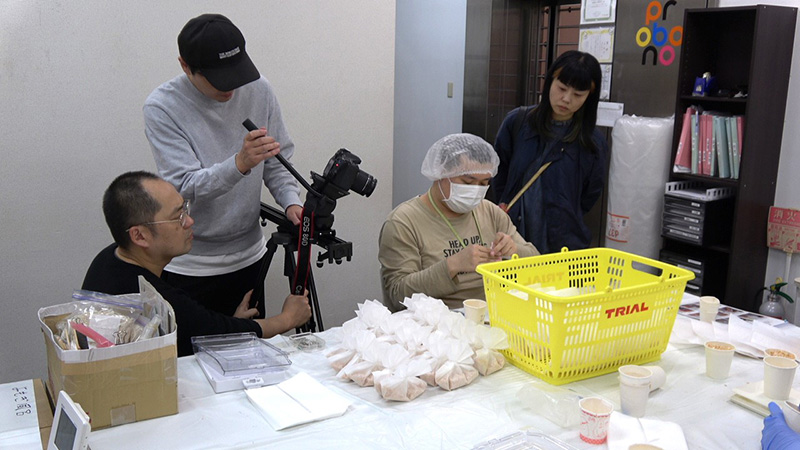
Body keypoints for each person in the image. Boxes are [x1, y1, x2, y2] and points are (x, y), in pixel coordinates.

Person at [143, 13, 303, 318]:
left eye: (237, 73)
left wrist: (291, 203)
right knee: (196, 361)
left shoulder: (258, 88)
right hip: (191, 266)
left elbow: (277, 159)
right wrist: (240, 163)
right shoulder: (162, 107)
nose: (230, 89)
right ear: (185, 66)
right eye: (219, 79)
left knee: (252, 356)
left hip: (250, 257)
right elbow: (185, 187)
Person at [82, 171, 311, 357]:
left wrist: (230, 324)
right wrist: (287, 318)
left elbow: (205, 327)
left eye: (185, 209)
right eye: (177, 216)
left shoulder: (110, 258)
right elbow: (215, 332)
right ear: (139, 236)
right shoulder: (149, 298)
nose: (190, 221)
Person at [378, 133, 539, 311]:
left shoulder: (490, 212)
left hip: (494, 314)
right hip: (435, 325)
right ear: (441, 173)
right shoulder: (403, 222)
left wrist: (514, 251)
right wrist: (453, 265)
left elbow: (539, 265)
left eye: (484, 183)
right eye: (467, 182)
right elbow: (397, 294)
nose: (476, 191)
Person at [492, 50, 608, 254]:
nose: (566, 99)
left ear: (589, 97)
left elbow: (590, 194)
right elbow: (497, 173)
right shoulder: (517, 122)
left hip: (563, 242)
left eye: (578, 95)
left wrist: (563, 211)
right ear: (549, 82)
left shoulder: (593, 142)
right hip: (511, 238)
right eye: (561, 88)